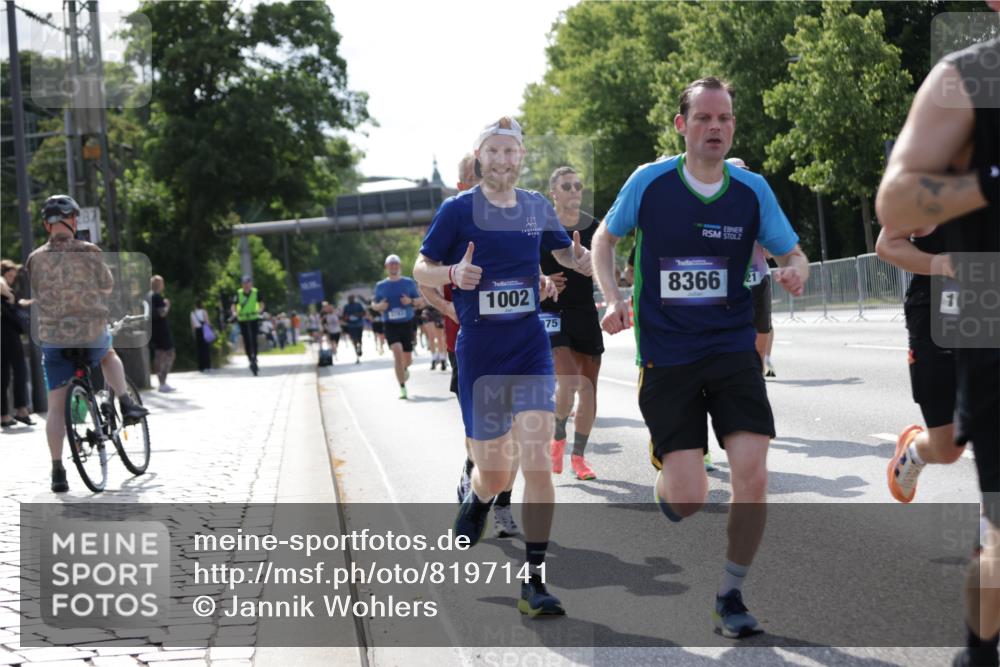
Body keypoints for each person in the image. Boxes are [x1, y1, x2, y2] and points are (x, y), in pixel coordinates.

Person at [592, 77, 809, 638]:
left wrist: (795, 271)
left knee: (753, 476)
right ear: (681, 125)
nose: (716, 127)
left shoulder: (751, 190)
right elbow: (604, 239)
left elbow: (793, 252)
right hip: (667, 355)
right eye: (705, 118)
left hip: (733, 348)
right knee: (690, 499)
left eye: (726, 119)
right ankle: (671, 473)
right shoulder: (650, 182)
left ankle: (730, 594)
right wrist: (613, 297)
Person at [414, 117, 591, 617]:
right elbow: (420, 267)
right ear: (479, 157)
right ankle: (477, 498)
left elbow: (562, 251)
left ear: (521, 157)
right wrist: (450, 272)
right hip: (482, 356)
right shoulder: (457, 211)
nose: (503, 160)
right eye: (493, 151)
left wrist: (578, 261)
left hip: (530, 348)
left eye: (511, 151)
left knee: (536, 458)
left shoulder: (536, 206)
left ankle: (534, 581)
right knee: (493, 473)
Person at [875, 26, 999, 666]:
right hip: (944, 300)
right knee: (949, 444)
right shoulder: (952, 123)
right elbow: (888, 238)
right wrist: (946, 261)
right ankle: (913, 451)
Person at [26, 194, 148, 492]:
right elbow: (106, 285)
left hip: (54, 339)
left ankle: (58, 471)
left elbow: (40, 292)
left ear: (46, 225)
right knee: (108, 354)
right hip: (90, 332)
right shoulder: (89, 251)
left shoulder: (34, 259)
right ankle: (125, 402)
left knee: (56, 408)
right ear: (73, 220)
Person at [541, 166, 604, 480]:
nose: (574, 190)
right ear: (554, 192)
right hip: (551, 315)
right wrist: (540, 279)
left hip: (584, 313)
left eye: (578, 185)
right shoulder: (539, 226)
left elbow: (605, 265)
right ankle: (558, 436)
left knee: (589, 391)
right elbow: (521, 266)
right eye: (567, 186)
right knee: (567, 382)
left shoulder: (594, 226)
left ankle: (578, 458)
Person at [372, 255, 424, 400]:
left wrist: (410, 301)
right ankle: (402, 388)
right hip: (390, 324)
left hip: (407, 323)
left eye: (396, 264)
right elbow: (374, 304)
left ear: (399, 266)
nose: (393, 266)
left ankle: (405, 368)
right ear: (386, 267)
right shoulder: (380, 286)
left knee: (407, 359)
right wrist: (379, 306)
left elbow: (420, 301)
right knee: (397, 352)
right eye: (391, 264)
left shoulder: (408, 283)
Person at [1, 260, 34, 428]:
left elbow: (19, 302)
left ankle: (4, 415)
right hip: (7, 332)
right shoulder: (1, 284)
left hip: (7, 333)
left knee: (4, 374)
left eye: (14, 276)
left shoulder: (7, 288)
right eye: (9, 275)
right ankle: (21, 409)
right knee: (19, 370)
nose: (11, 279)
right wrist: (11, 296)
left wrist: (31, 301)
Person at [149, 275, 176, 392]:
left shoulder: (149, 296)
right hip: (162, 331)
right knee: (169, 353)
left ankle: (161, 382)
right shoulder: (158, 297)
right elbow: (162, 313)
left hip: (154, 330)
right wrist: (167, 305)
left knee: (158, 355)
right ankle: (163, 382)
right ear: (159, 285)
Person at [232, 275, 262, 375]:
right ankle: (250, 358)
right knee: (246, 340)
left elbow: (261, 304)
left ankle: (255, 357)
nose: (246, 285)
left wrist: (260, 311)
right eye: (244, 283)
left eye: (248, 283)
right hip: (243, 319)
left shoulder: (255, 292)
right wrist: (235, 314)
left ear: (251, 283)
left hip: (254, 318)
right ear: (242, 284)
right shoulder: (238, 293)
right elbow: (234, 305)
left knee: (254, 338)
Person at [342, 295, 366, 363]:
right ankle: (357, 353)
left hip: (359, 325)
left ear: (354, 299)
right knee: (354, 340)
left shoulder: (358, 305)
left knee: (359, 339)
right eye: (349, 299)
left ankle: (360, 348)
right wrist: (348, 317)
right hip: (351, 326)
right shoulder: (346, 307)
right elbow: (343, 316)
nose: (350, 300)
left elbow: (363, 313)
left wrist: (357, 315)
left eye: (351, 298)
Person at [190, 300, 212, 372]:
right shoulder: (203, 311)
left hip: (197, 331)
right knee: (206, 349)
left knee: (199, 350)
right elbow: (207, 321)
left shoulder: (192, 313)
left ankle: (201, 367)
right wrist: (210, 329)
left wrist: (194, 333)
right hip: (204, 330)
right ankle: (208, 366)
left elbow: (192, 325)